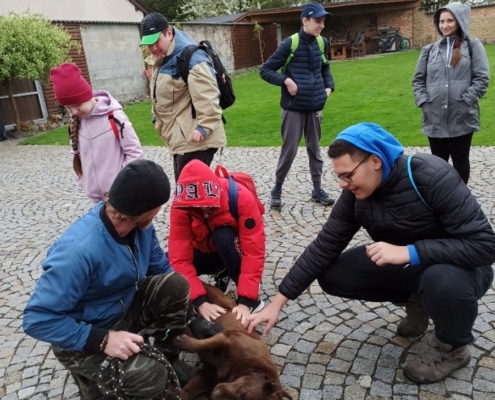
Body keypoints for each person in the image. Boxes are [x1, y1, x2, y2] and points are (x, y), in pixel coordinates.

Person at [246, 122, 495, 384]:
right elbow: (326, 244)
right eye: (338, 177)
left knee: (441, 282)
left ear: (375, 161)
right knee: (333, 274)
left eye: (347, 175)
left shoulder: (431, 176)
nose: (342, 184)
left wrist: (410, 252)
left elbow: (485, 246)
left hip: (462, 269)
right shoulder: (357, 194)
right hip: (414, 265)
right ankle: (418, 300)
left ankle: (453, 348)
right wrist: (277, 303)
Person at [23, 160, 200, 399]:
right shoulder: (79, 251)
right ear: (145, 210)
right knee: (152, 375)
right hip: (86, 331)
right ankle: (97, 379)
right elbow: (37, 319)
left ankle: (169, 355)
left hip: (122, 310)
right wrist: (103, 339)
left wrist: (191, 311)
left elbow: (160, 269)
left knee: (177, 285)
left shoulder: (142, 228)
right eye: (160, 205)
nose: (161, 211)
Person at [168, 159, 265, 324]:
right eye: (197, 207)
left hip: (230, 248)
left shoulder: (241, 198)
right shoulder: (181, 208)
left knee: (223, 236)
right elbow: (179, 257)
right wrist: (200, 301)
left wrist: (245, 302)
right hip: (204, 250)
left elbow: (254, 251)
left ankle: (251, 297)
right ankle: (221, 272)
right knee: (165, 265)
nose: (204, 210)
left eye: (208, 205)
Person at [260, 2, 335, 207]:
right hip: (293, 107)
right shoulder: (289, 44)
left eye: (323, 22)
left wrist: (329, 88)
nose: (321, 25)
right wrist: (286, 80)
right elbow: (265, 70)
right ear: (305, 21)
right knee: (290, 150)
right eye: (318, 21)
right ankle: (277, 189)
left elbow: (325, 69)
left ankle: (317, 190)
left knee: (315, 150)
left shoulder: (322, 43)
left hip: (314, 106)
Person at [140, 12, 226, 181]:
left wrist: (204, 127)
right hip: (181, 138)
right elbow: (162, 92)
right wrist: (155, 116)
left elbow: (208, 95)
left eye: (156, 42)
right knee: (188, 194)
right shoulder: (164, 56)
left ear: (169, 33)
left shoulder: (192, 56)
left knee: (190, 198)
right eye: (148, 44)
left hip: (196, 141)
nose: (153, 48)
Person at [412, 2, 489, 184]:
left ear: (459, 21)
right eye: (441, 21)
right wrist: (424, 102)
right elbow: (418, 80)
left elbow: (481, 78)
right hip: (434, 116)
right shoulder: (429, 50)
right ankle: (442, 199)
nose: (444, 25)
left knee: (461, 161)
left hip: (462, 116)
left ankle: (461, 201)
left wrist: (465, 102)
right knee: (438, 164)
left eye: (449, 21)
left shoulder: (472, 46)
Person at [50, 63, 143, 203]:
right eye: (68, 108)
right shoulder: (76, 123)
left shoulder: (114, 117)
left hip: (123, 196)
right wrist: (85, 183)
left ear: (87, 95)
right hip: (98, 201)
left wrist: (120, 185)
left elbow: (135, 153)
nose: (74, 111)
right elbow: (78, 156)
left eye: (77, 105)